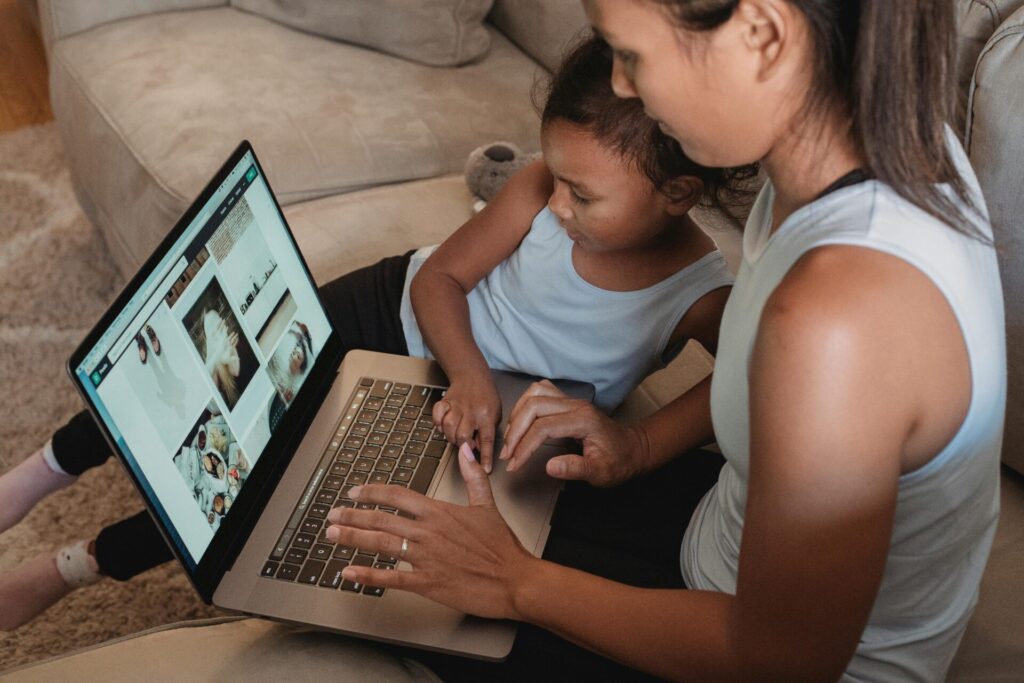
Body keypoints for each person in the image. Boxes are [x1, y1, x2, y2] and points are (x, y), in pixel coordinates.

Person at [322, 1, 1006, 681]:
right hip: (721, 545)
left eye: (633, 56)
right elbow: (770, 398)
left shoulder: (840, 316)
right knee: (416, 508)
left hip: (768, 655)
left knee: (378, 592)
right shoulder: (864, 147)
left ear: (762, 35)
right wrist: (638, 446)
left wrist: (514, 583)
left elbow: (780, 662)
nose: (622, 86)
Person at [0, 35, 744, 631]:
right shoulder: (536, 190)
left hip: (463, 418)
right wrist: (470, 371)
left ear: (679, 194)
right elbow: (437, 282)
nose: (557, 205)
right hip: (398, 312)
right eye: (555, 181)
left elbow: (751, 378)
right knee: (210, 366)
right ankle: (46, 469)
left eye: (582, 195)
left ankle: (74, 565)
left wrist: (643, 444)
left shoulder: (695, 291)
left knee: (247, 493)